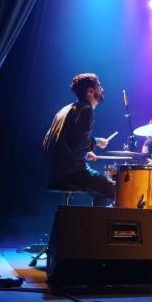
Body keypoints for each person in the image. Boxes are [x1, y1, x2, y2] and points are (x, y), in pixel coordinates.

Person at [43, 73, 115, 206]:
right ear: (90, 91)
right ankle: (98, 219)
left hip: (55, 173)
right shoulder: (86, 109)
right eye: (99, 86)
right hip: (72, 173)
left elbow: (55, 142)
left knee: (102, 188)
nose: (102, 89)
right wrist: (97, 141)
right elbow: (79, 143)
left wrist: (83, 152)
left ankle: (95, 218)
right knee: (115, 189)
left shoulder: (65, 110)